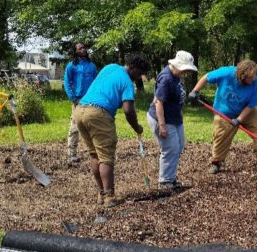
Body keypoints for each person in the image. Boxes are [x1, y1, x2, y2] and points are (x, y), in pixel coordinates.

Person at [75, 55, 149, 207]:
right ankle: (109, 196)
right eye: (140, 73)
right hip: (98, 114)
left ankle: (101, 193)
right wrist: (137, 127)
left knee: (94, 154)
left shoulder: (111, 67)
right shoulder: (127, 82)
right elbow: (128, 111)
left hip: (80, 111)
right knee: (106, 157)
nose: (139, 78)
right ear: (134, 68)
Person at [188, 59, 257, 173]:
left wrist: (239, 119)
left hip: (246, 109)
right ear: (242, 76)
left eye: (254, 75)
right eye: (251, 77)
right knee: (221, 135)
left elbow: (251, 105)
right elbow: (206, 77)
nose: (254, 78)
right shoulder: (226, 73)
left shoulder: (255, 83)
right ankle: (216, 162)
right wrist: (195, 91)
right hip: (224, 112)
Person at [147, 50, 196, 191]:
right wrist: (162, 126)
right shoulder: (166, 78)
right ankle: (165, 182)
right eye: (184, 69)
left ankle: (171, 178)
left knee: (179, 146)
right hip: (162, 118)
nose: (185, 73)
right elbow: (158, 102)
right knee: (170, 149)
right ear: (177, 65)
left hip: (175, 118)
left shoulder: (177, 75)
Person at [63, 41, 98, 165]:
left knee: (93, 126)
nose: (83, 49)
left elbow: (96, 83)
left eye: (84, 47)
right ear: (75, 51)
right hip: (78, 101)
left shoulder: (91, 66)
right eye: (80, 48)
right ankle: (72, 154)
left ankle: (95, 153)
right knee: (75, 127)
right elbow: (67, 83)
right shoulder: (71, 66)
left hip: (91, 102)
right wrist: (73, 98)